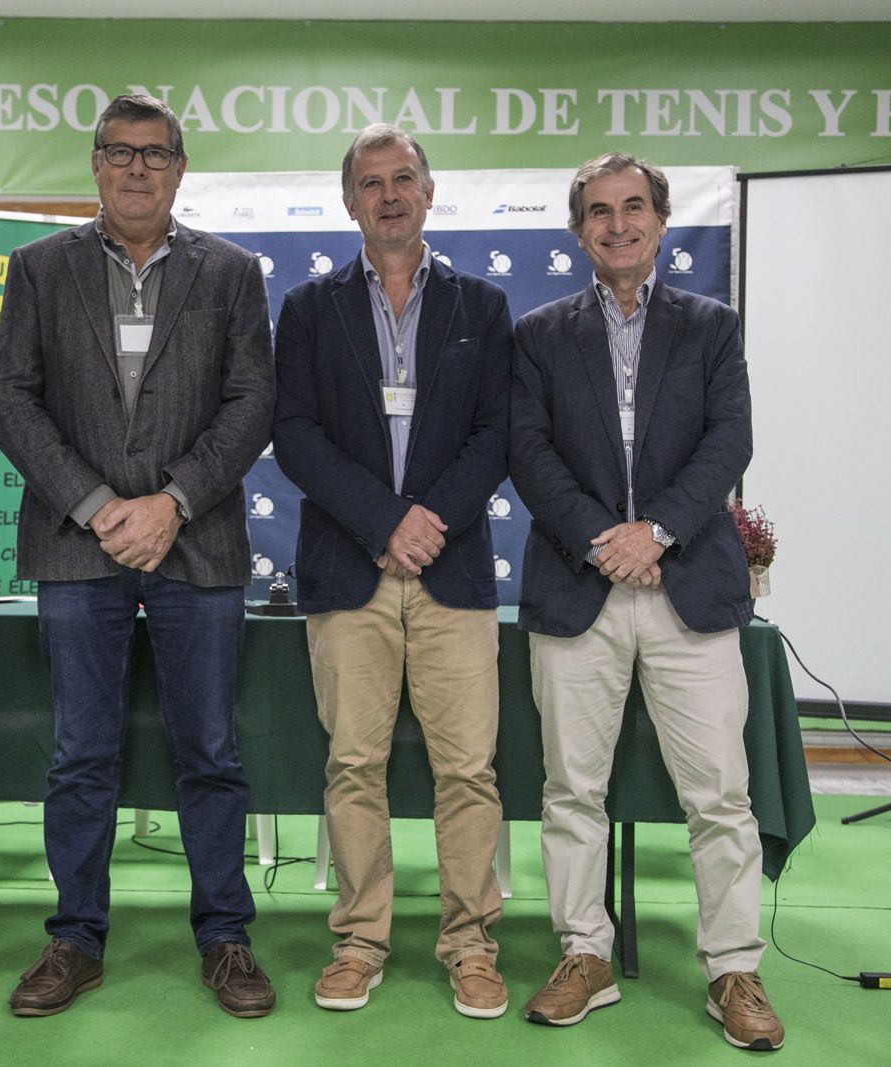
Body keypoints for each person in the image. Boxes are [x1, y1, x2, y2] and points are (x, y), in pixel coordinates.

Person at [0, 94, 277, 1020]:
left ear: (180, 168)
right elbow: (11, 399)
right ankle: (75, 937)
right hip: (77, 543)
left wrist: (173, 501)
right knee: (79, 751)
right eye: (119, 152)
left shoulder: (232, 273)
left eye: (155, 153)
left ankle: (225, 936)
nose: (137, 168)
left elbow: (251, 402)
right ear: (96, 165)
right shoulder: (37, 269)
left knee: (212, 750)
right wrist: (101, 505)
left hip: (200, 541)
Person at [508, 152, 783, 1050]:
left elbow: (728, 438)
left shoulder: (711, 327)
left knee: (721, 796)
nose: (617, 224)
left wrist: (654, 531)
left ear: (661, 223)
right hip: (577, 585)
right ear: (578, 230)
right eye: (598, 211)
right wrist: (605, 537)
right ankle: (585, 953)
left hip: (687, 589)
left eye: (634, 208)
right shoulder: (540, 333)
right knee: (570, 792)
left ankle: (733, 968)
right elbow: (529, 452)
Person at [273, 124, 513, 1018]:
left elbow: (497, 433)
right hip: (350, 568)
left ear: (429, 191)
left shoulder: (482, 308)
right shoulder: (307, 308)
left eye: (403, 178)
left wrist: (427, 525)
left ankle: (469, 940)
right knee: (353, 764)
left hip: (451, 573)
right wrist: (385, 522)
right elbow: (294, 434)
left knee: (468, 772)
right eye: (371, 182)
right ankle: (361, 937)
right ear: (349, 202)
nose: (389, 195)